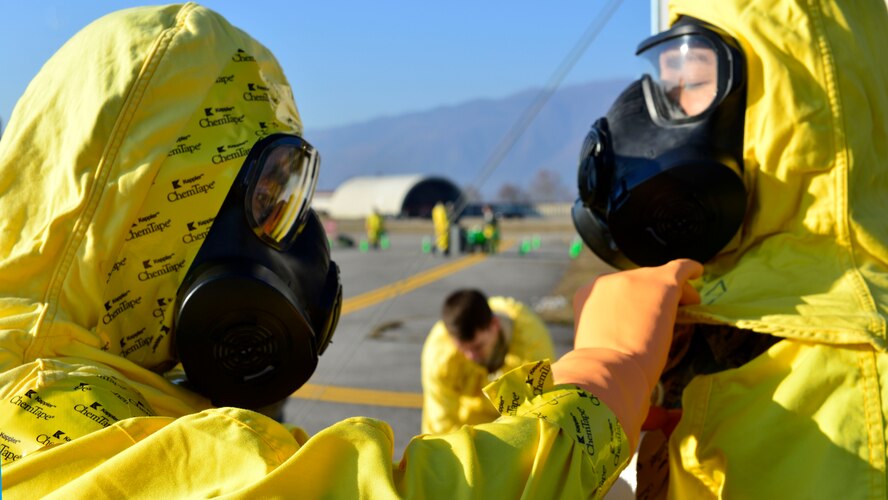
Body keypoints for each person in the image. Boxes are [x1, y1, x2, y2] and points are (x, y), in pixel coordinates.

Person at [0, 3, 704, 497]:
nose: (294, 235)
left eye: (295, 193)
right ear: (149, 217)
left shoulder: (78, 380)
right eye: (267, 202)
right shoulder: (58, 427)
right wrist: (604, 375)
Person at [571, 0, 888, 497]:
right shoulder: (738, 336)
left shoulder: (854, 386)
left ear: (800, 111)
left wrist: (591, 388)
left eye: (693, 84)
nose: (664, 117)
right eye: (665, 84)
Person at [420, 290, 555, 434]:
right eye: (462, 349)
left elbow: (541, 414)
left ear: (495, 325)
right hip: (466, 423)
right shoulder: (440, 356)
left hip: (513, 424)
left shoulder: (532, 348)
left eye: (478, 347)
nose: (471, 356)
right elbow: (441, 421)